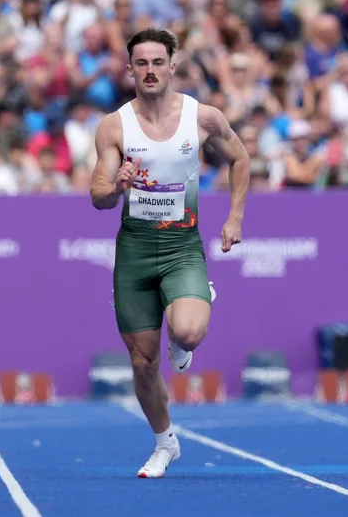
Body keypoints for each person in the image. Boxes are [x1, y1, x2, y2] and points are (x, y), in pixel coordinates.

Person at [89, 27, 249, 478]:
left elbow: (240, 159)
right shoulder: (114, 126)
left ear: (173, 65)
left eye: (158, 62)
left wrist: (234, 217)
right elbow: (98, 195)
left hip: (182, 246)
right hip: (135, 252)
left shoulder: (203, 117)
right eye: (141, 63)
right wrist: (115, 187)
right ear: (129, 70)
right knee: (142, 362)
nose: (150, 70)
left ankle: (190, 311)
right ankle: (165, 443)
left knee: (190, 334)